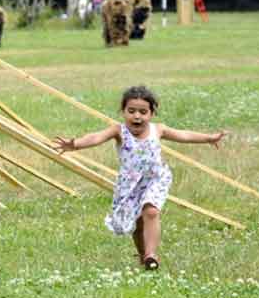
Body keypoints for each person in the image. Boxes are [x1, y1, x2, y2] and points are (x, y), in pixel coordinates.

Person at [53, 85, 227, 271]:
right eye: (131, 111)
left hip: (155, 178)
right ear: (123, 112)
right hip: (130, 184)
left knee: (151, 211)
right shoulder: (118, 131)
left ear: (151, 114)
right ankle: (144, 255)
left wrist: (209, 138)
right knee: (137, 222)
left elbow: (183, 134)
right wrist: (76, 144)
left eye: (143, 112)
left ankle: (152, 254)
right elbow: (96, 137)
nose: (137, 116)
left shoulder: (157, 130)